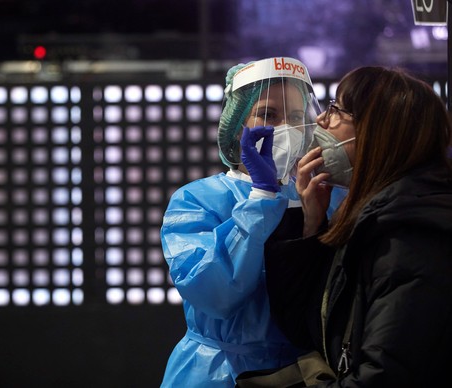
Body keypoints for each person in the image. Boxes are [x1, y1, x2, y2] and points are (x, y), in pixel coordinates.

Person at [261, 66, 452, 386]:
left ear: (378, 132)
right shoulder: (370, 217)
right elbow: (306, 328)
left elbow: (384, 375)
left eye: (336, 110)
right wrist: (312, 224)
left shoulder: (411, 237)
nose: (320, 121)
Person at [159, 57, 325, 387]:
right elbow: (216, 294)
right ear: (238, 126)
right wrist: (261, 198)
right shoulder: (197, 200)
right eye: (268, 114)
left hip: (301, 373)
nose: (285, 129)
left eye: (295, 117)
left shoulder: (319, 195)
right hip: (217, 374)